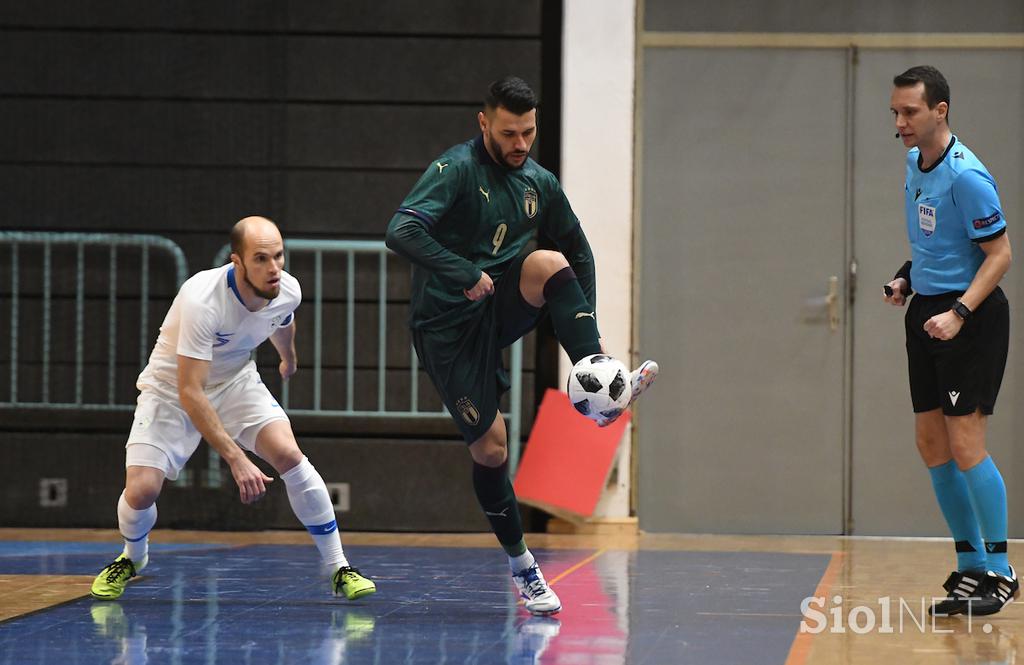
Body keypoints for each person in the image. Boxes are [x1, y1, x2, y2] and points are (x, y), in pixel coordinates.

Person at [385, 76, 658, 616]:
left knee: (549, 263)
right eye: (509, 133)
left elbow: (579, 254)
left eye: (528, 133)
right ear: (484, 122)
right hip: (447, 328)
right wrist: (462, 270)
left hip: (498, 305)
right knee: (492, 449)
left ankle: (598, 381)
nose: (519, 144)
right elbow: (401, 231)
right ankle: (523, 566)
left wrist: (593, 343)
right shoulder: (455, 169)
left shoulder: (539, 182)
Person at [90, 217, 375, 602]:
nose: (273, 269)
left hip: (237, 382)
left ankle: (338, 566)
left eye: (278, 256)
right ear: (237, 262)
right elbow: (191, 391)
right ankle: (133, 556)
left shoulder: (287, 288)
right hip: (172, 389)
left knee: (290, 455)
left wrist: (288, 358)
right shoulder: (201, 299)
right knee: (141, 491)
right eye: (261, 259)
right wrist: (236, 459)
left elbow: (281, 321)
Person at [884, 66, 1017, 616]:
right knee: (931, 444)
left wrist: (961, 311)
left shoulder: (967, 175)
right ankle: (970, 566)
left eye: (910, 112)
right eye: (895, 112)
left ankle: (1003, 570)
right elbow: (935, 245)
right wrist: (907, 279)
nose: (900, 123)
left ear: (940, 110)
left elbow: (1001, 255)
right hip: (928, 315)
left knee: (966, 445)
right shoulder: (915, 165)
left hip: (972, 318)